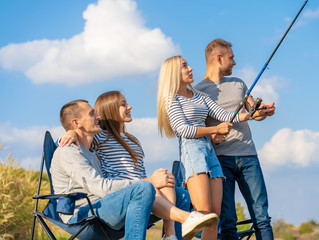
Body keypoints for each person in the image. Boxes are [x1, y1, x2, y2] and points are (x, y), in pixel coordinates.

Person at [58, 93, 218, 240]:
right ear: (76, 123)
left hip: (110, 202)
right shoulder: (75, 148)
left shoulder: (93, 147)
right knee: (145, 187)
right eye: (92, 113)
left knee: (178, 192)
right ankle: (186, 218)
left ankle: (171, 236)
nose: (98, 116)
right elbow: (99, 186)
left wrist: (155, 181)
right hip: (85, 213)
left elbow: (83, 136)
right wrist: (69, 133)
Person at [157, 56, 269, 240]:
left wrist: (252, 114)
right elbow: (183, 129)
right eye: (185, 66)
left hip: (210, 152)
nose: (191, 68)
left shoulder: (200, 97)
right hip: (192, 150)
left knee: (214, 217)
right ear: (173, 74)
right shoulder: (171, 99)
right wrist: (214, 129)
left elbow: (225, 115)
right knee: (202, 213)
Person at [195, 39, 275, 240]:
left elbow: (252, 113)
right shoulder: (198, 91)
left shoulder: (239, 83)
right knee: (228, 221)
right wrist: (213, 134)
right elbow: (199, 129)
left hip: (249, 156)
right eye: (231, 58)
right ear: (219, 58)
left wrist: (263, 111)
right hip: (221, 161)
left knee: (262, 217)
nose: (234, 62)